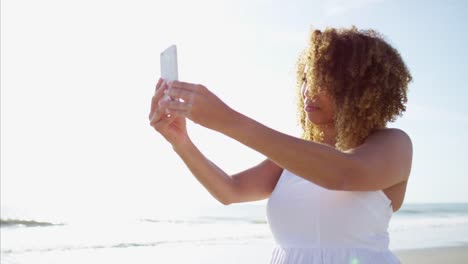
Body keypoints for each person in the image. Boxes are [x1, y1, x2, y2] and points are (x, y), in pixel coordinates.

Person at [148, 25, 413, 264]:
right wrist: (181, 142)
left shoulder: (392, 144)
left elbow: (344, 174)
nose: (309, 91)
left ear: (360, 88)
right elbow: (230, 190)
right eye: (307, 79)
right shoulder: (296, 152)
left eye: (324, 81)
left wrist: (228, 120)